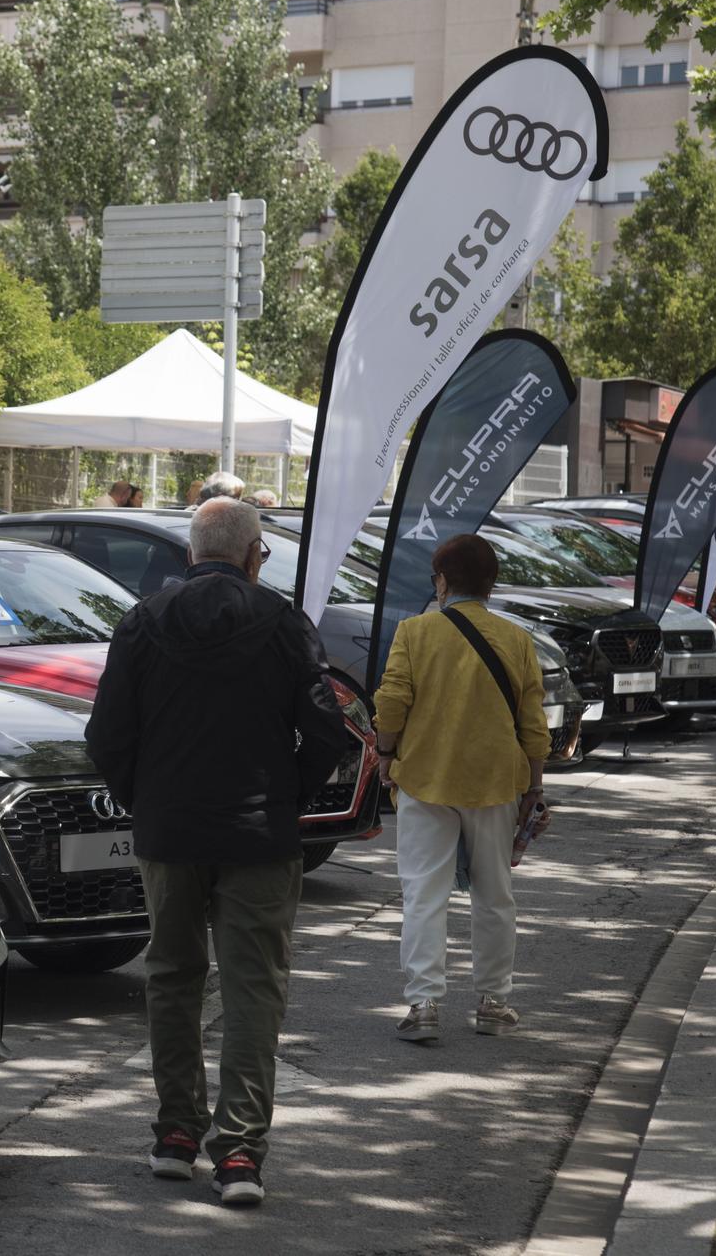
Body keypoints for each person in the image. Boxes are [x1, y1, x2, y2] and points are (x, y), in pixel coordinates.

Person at [86, 497, 349, 1206]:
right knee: (252, 987)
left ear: (189, 553)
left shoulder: (141, 622)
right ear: (255, 552)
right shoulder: (285, 624)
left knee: (171, 977)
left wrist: (144, 796)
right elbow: (327, 730)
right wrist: (287, 796)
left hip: (169, 832)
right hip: (260, 835)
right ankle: (238, 1153)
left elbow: (108, 733)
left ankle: (175, 1134)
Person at [372, 533, 550, 1043]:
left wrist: (386, 757)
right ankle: (494, 1002)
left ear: (443, 582)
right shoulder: (516, 639)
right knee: (495, 895)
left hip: (426, 779)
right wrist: (534, 789)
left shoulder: (415, 631)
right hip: (497, 782)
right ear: (491, 585)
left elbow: (392, 703)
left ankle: (424, 1003)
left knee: (424, 893)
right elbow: (533, 725)